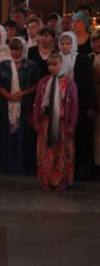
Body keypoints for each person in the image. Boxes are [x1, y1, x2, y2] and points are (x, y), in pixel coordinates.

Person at [32, 54, 78, 191]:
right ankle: (47, 179)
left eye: (55, 64)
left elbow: (74, 105)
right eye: (49, 65)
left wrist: (72, 124)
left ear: (61, 65)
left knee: (62, 152)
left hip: (62, 124)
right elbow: (38, 102)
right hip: (46, 123)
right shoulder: (44, 82)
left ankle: (60, 180)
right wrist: (36, 120)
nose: (52, 68)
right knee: (46, 152)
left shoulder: (69, 83)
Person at [0, 37, 40, 175]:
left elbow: (37, 84)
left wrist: (23, 93)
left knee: (24, 135)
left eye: (18, 49)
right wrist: (8, 95)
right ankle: (7, 164)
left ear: (23, 49)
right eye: (12, 49)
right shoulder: (3, 65)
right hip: (7, 104)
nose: (15, 52)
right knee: (7, 134)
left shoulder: (31, 65)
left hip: (24, 104)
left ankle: (23, 165)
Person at [58, 31, 95, 180]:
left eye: (68, 43)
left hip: (81, 103)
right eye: (62, 43)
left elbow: (90, 84)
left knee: (80, 135)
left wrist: (92, 106)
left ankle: (80, 168)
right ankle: (62, 167)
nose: (65, 46)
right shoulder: (56, 59)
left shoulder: (83, 60)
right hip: (61, 104)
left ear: (73, 44)